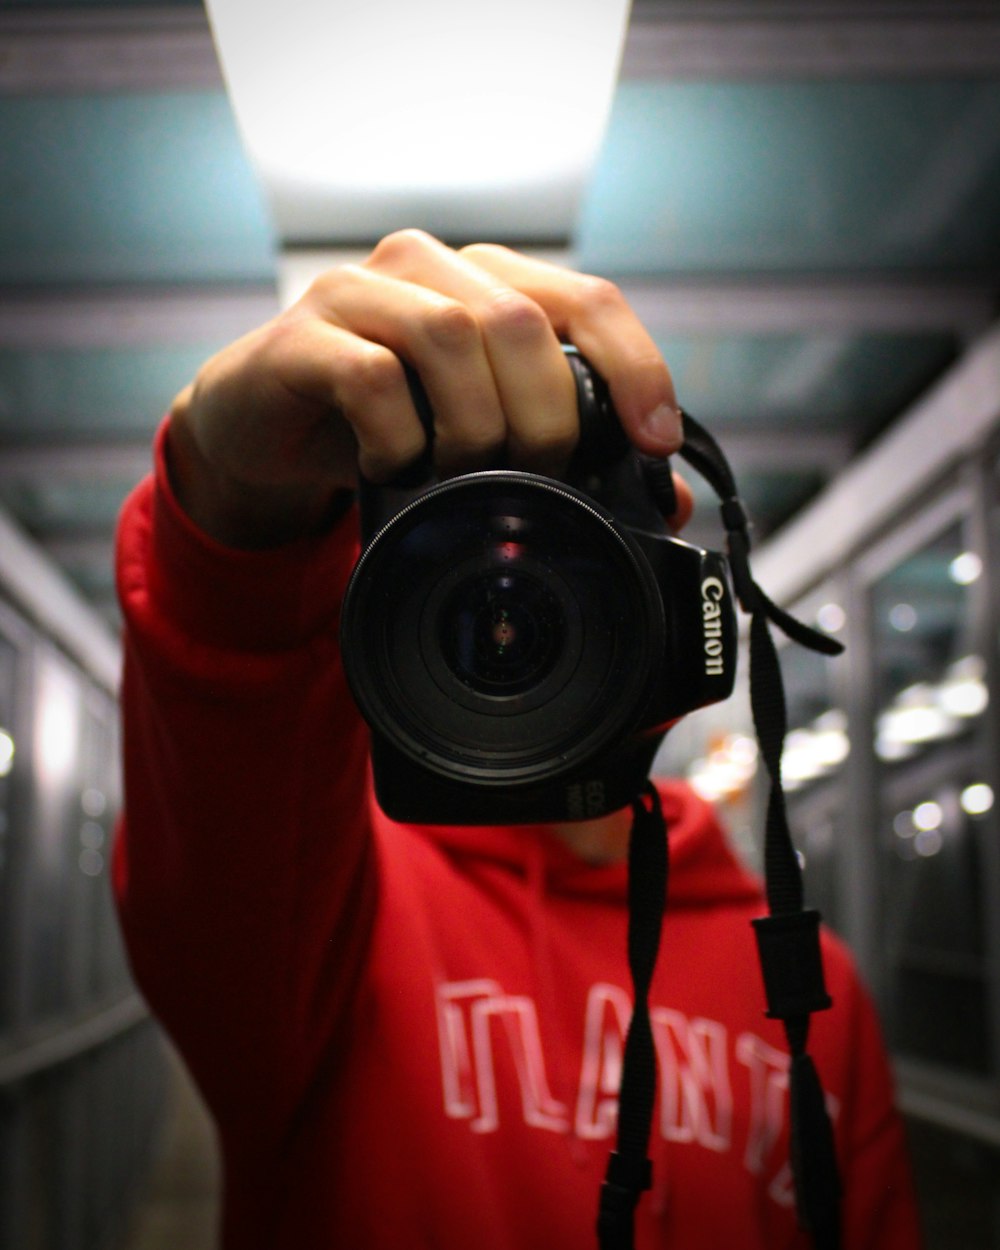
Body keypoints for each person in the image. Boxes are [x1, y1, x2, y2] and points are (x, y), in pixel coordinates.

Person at [113, 229, 921, 1248]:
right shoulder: (320, 922)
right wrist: (232, 511)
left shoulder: (810, 989)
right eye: (476, 599)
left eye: (577, 562)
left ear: (677, 605)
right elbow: (222, 805)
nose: (520, 618)